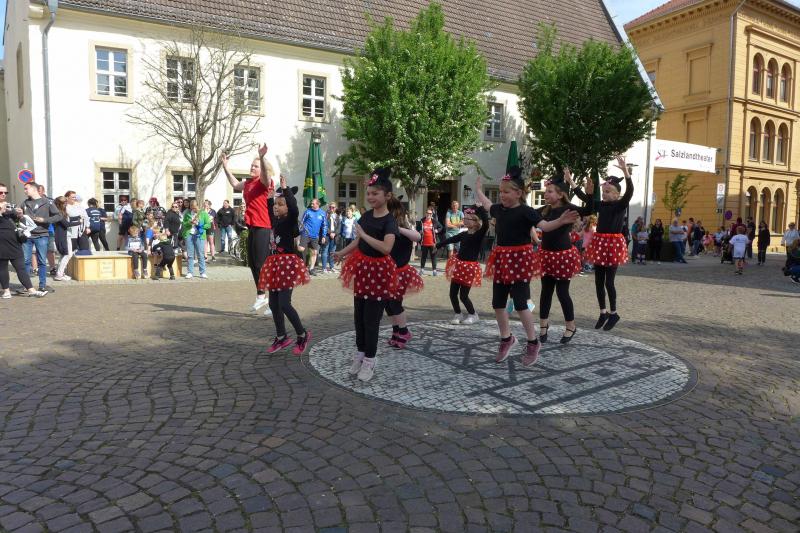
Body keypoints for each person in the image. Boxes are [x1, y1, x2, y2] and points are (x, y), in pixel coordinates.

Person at [475, 166, 578, 367]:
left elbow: (545, 226)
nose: (502, 195)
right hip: (502, 260)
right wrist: (479, 190)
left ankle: (532, 342)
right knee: (497, 303)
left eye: (506, 192)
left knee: (521, 303)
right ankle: (506, 339)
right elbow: (487, 205)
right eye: (500, 191)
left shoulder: (526, 211)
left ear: (519, 193)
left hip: (519, 261)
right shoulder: (499, 209)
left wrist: (561, 220)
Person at [334, 168, 398, 382]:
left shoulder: (389, 221)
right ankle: (360, 354)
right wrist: (341, 253)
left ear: (387, 196)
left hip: (379, 274)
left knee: (371, 320)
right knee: (359, 317)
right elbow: (358, 241)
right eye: (368, 193)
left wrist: (363, 235)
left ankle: (370, 359)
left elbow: (386, 248)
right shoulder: (367, 216)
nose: (370, 197)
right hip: (363, 271)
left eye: (375, 194)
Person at [536, 169, 594, 344]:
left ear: (560, 194)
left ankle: (571, 325)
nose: (546, 194)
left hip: (563, 257)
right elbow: (526, 215)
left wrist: (587, 193)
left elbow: (589, 209)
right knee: (546, 292)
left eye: (550, 191)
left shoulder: (569, 209)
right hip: (546, 256)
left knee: (562, 293)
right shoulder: (544, 211)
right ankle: (543, 325)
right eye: (546, 191)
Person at [257, 175, 312, 355]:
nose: (276, 207)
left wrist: (286, 190)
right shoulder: (275, 221)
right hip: (274, 265)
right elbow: (268, 208)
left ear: (287, 207)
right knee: (273, 304)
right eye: (276, 204)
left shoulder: (290, 220)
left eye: (280, 204)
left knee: (284, 303)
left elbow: (294, 209)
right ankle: (281, 337)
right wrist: (269, 197)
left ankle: (302, 334)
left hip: (287, 265)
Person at [222, 145, 275, 315]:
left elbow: (265, 176)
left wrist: (262, 157)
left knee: (261, 264)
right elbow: (234, 183)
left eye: (255, 166)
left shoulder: (264, 182)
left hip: (263, 226)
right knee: (252, 263)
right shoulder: (248, 183)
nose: (252, 168)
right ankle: (261, 296)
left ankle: (273, 302)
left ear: (262, 169)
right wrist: (225, 167)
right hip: (252, 226)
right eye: (252, 165)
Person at [583, 157, 633, 331]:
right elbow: (588, 202)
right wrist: (583, 189)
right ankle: (602, 312)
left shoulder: (620, 205)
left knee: (609, 282)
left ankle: (614, 313)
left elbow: (630, 191)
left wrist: (625, 172)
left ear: (617, 194)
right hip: (600, 244)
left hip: (612, 245)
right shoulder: (602, 205)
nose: (604, 194)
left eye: (608, 191)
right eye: (603, 191)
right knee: (598, 281)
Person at [437, 205, 488, 325]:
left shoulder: (478, 234)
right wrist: (438, 245)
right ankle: (458, 314)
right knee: (452, 294)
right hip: (459, 265)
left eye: (467, 219)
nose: (464, 220)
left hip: (469, 268)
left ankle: (473, 314)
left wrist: (481, 209)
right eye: (464, 218)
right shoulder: (464, 234)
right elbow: (452, 239)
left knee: (463, 296)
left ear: (475, 222)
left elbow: (485, 224)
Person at [383, 198, 424, 349]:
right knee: (388, 304)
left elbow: (418, 237)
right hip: (387, 272)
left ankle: (404, 331)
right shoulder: (386, 229)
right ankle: (396, 331)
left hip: (400, 273)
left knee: (395, 303)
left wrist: (397, 228)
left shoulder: (404, 229)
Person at [0, 183, 47, 298]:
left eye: (5, 192)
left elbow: (18, 222)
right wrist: (1, 211)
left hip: (14, 240)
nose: (3, 194)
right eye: (1, 192)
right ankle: (6, 291)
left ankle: (31, 290)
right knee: (2, 268)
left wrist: (20, 215)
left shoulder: (10, 205)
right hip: (1, 242)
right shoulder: (3, 207)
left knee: (20, 267)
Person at [22, 182, 62, 292]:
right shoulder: (25, 202)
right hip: (27, 235)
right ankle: (26, 286)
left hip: (42, 235)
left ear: (34, 189)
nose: (24, 191)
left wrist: (45, 220)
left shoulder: (47, 202)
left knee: (42, 261)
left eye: (26, 189)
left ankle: (42, 285)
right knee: (25, 261)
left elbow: (59, 216)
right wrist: (19, 214)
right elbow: (20, 217)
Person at [182, 199, 211, 279]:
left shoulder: (203, 213)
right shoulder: (187, 213)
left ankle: (202, 272)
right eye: (192, 207)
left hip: (199, 235)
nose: (193, 209)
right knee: (190, 255)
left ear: (198, 206)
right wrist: (190, 222)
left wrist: (199, 224)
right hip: (189, 235)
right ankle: (190, 272)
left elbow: (208, 225)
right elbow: (184, 223)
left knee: (200, 254)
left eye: (194, 207)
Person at [300, 198, 327, 274]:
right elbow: (302, 222)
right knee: (301, 249)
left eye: (313, 203)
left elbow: (324, 225)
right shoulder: (307, 211)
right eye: (311, 203)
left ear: (318, 204)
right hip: (305, 234)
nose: (311, 205)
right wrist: (300, 233)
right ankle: (302, 266)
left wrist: (324, 236)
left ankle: (311, 269)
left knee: (314, 252)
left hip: (315, 236)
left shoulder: (322, 213)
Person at [416, 208, 443, 275]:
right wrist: (419, 231)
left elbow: (441, 227)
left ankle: (434, 271)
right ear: (425, 213)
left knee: (433, 257)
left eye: (430, 213)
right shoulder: (422, 221)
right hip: (424, 243)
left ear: (432, 214)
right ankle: (422, 270)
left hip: (432, 243)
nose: (429, 214)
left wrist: (437, 230)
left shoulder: (434, 221)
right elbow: (417, 228)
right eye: (427, 213)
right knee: (423, 257)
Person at [320, 203, 340, 273]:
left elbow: (339, 227)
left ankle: (332, 267)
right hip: (327, 235)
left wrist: (334, 233)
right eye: (330, 207)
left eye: (333, 207)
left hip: (334, 236)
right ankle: (324, 268)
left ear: (335, 208)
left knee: (332, 252)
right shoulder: (326, 215)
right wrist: (330, 233)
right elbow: (324, 225)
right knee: (325, 251)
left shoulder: (337, 216)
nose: (331, 209)